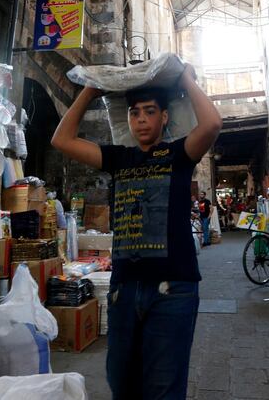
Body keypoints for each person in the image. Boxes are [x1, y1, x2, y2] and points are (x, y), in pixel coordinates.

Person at [51, 63, 222, 400]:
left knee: (163, 389)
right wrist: (91, 89)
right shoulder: (120, 158)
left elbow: (213, 123)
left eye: (149, 112)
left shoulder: (179, 154)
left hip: (173, 290)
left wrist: (186, 78)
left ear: (164, 118)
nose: (141, 119)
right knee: (122, 385)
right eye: (134, 113)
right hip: (124, 290)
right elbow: (62, 139)